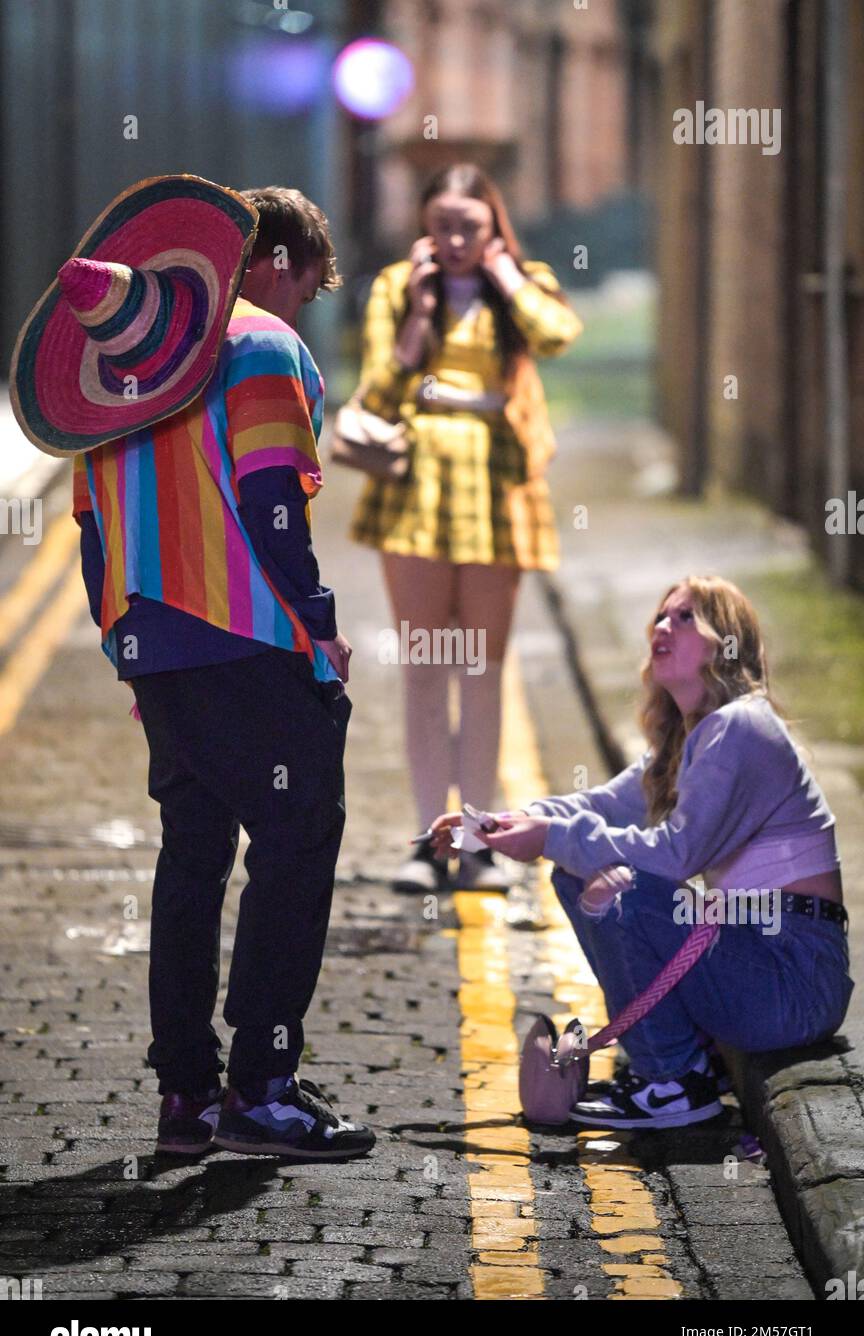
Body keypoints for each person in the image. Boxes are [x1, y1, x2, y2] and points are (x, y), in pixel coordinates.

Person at [11, 176, 374, 1159]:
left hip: (158, 650)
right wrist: (321, 626)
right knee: (295, 848)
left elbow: (93, 539)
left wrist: (129, 652)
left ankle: (187, 1099)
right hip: (251, 643)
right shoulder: (259, 345)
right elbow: (273, 508)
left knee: (193, 858)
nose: (299, 305)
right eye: (304, 285)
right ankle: (264, 1086)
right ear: (276, 263)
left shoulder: (111, 373)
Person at [429, 575, 854, 1129]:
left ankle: (673, 1081)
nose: (661, 626)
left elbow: (677, 854)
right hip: (760, 962)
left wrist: (553, 838)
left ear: (726, 644)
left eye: (685, 618)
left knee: (623, 887)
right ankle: (673, 1068)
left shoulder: (741, 728)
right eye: (660, 615)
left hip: (793, 976)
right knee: (580, 869)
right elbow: (601, 807)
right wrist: (488, 825)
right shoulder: (690, 738)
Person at [348, 163, 582, 893]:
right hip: (414, 495)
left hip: (496, 495)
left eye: (470, 226)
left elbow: (557, 335)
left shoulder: (522, 281)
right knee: (425, 671)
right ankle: (427, 843)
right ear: (424, 224)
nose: (454, 239)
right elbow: (381, 388)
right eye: (441, 224)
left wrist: (506, 275)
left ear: (493, 227)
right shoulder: (395, 286)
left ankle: (479, 842)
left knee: (483, 672)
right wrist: (420, 314)